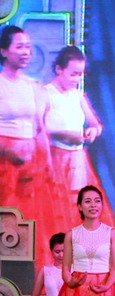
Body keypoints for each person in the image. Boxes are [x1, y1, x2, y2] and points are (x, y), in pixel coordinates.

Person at [45, 45, 115, 281]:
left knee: (82, 210)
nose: (77, 79)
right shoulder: (46, 94)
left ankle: (87, 266)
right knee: (57, 209)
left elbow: (96, 124)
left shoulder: (77, 95)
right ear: (59, 69)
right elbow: (42, 129)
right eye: (73, 74)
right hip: (55, 158)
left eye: (80, 74)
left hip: (77, 159)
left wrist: (92, 132)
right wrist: (68, 134)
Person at [0, 25, 57, 271]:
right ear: (4, 51)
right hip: (4, 162)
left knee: (30, 221)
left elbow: (40, 127)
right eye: (19, 47)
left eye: (28, 47)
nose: (26, 52)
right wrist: (7, 151)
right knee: (7, 221)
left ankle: (24, 278)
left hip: (30, 164)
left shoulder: (33, 86)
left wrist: (48, 163)